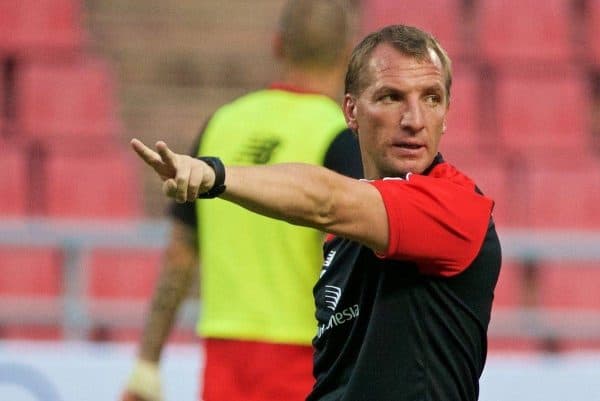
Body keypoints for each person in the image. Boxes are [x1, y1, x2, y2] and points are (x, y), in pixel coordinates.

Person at [131, 24, 502, 401]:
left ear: (447, 112)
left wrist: (217, 175)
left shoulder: (456, 208)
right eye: (391, 97)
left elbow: (327, 201)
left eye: (432, 98)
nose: (414, 119)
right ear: (351, 111)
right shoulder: (343, 239)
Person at [122, 1, 361, 401]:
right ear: (347, 54)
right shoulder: (339, 137)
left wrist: (147, 365)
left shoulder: (222, 123)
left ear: (277, 45)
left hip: (224, 360)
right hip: (308, 361)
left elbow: (181, 253)